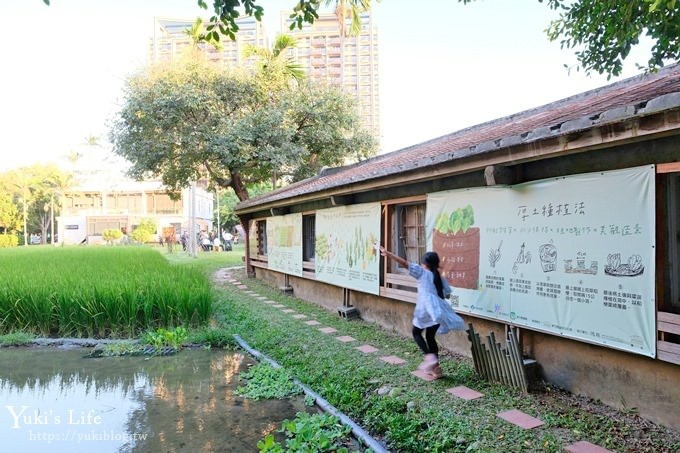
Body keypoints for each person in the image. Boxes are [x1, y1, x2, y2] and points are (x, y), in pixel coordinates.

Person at [379, 246, 462, 379]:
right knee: (430, 337)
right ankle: (436, 369)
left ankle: (430, 359)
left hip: (425, 309)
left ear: (425, 264)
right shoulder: (439, 278)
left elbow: (404, 263)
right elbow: (447, 295)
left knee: (416, 332)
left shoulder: (422, 273)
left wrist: (388, 254)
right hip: (437, 312)